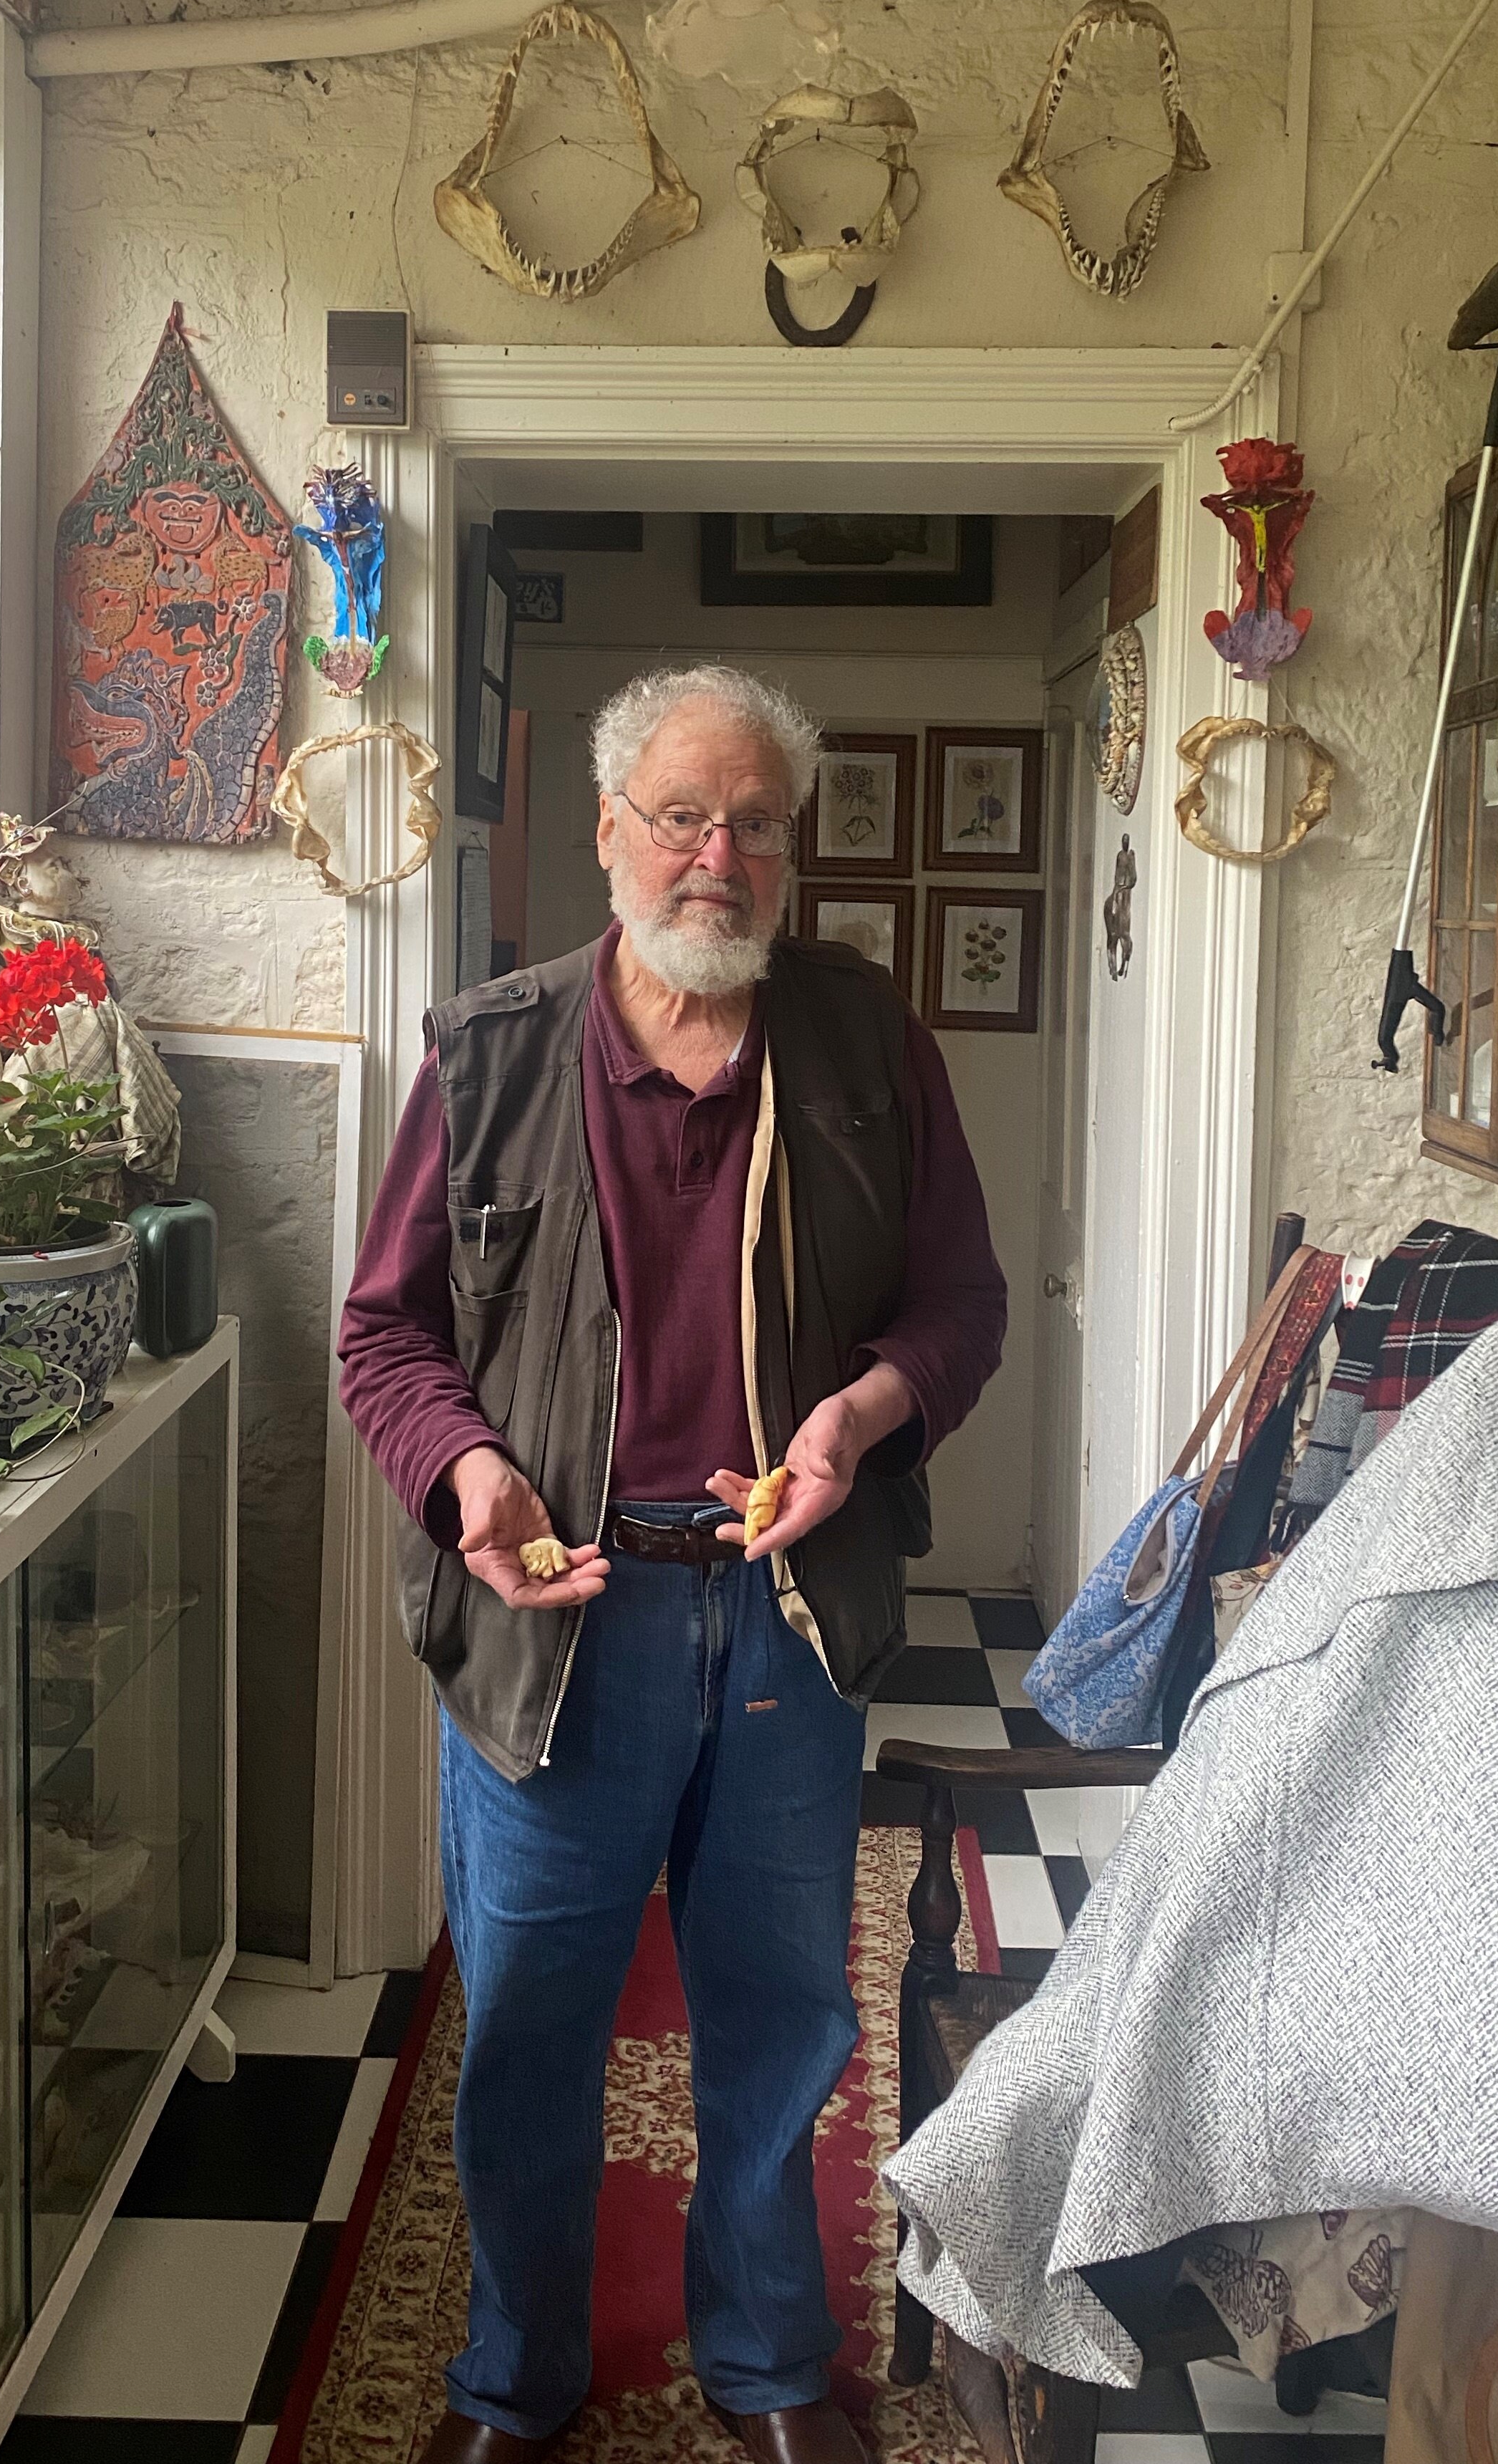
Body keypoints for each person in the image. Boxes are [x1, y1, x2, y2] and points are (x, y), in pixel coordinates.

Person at [337, 663, 1008, 2464]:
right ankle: (514, 2378)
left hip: (785, 1611)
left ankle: (772, 2361)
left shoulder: (869, 1048)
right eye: (682, 817)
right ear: (611, 834)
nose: (718, 855)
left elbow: (962, 1305)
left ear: (791, 851)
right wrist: (468, 1470)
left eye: (756, 824)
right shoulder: (488, 1054)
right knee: (533, 2026)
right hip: (565, 1619)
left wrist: (855, 1424)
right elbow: (384, 1340)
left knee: (782, 2014)